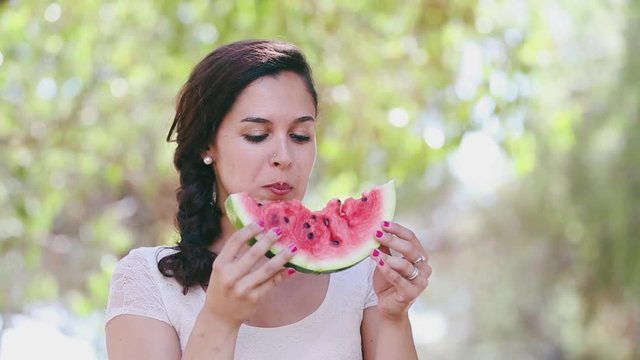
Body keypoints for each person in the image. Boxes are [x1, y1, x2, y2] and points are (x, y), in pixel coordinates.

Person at [105, 39, 431, 360]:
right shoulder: (146, 281)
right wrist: (219, 320)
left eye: (300, 136)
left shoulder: (361, 278)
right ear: (208, 145)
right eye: (257, 135)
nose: (284, 157)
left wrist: (393, 318)